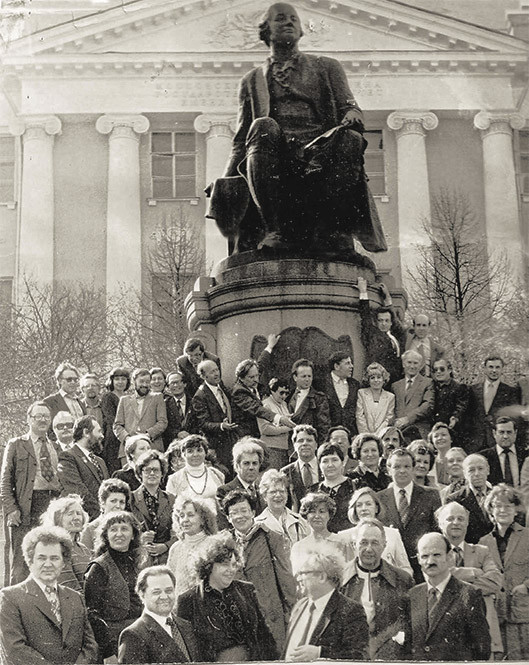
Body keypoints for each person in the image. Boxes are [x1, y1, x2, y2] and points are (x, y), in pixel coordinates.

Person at [215, 3, 384, 256]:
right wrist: (226, 181)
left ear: (302, 30)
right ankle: (276, 231)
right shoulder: (252, 80)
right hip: (274, 151)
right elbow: (241, 139)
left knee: (350, 138)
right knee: (262, 125)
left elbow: (350, 106)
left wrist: (352, 115)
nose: (289, 23)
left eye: (294, 19)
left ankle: (331, 231)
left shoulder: (327, 66)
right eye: (280, 18)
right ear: (266, 30)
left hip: (321, 147)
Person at [0, 525, 98, 665]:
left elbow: (90, 646)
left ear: (63, 563)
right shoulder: (10, 597)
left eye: (54, 558)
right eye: (41, 558)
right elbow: (14, 650)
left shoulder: (75, 597)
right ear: (30, 561)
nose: (48, 564)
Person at [177, 531, 279, 661]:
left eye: (234, 564)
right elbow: (188, 651)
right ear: (208, 565)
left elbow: (264, 637)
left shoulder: (246, 589)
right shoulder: (188, 600)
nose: (231, 570)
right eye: (225, 564)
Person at [222, 489, 297, 651]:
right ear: (228, 518)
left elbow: (286, 580)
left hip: (270, 618)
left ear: (253, 513)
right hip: (239, 623)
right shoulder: (224, 544)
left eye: (244, 510)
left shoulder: (271, 538)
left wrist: (293, 615)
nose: (240, 516)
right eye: (234, 513)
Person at [0, 400, 62, 583]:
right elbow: (5, 481)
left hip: (51, 505)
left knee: (48, 555)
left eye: (46, 416)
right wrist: (11, 509)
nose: (43, 420)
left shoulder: (55, 446)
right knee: (21, 561)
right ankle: (12, 598)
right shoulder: (16, 444)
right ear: (29, 419)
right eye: (38, 416)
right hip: (26, 506)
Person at [436, 501, 504, 656]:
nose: (456, 522)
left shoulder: (482, 551)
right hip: (446, 633)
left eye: (461, 519)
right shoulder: (433, 552)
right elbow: (439, 579)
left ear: (467, 523)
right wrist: (474, 572)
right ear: (440, 523)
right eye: (450, 518)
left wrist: (453, 575)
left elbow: (495, 582)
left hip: (482, 630)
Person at [409, 532, 490, 660]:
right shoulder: (412, 595)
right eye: (425, 556)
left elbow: (482, 648)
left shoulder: (469, 594)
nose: (430, 561)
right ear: (418, 559)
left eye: (436, 555)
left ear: (449, 556)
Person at [341, 518, 413, 660]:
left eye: (374, 543)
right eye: (363, 542)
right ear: (354, 545)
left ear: (384, 545)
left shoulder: (402, 580)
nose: (369, 549)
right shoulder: (339, 579)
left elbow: (409, 627)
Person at [286, 541, 369, 661]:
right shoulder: (300, 606)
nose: (298, 578)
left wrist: (320, 653)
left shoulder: (350, 611)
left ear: (322, 577)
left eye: (303, 573)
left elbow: (359, 656)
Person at [85, 510, 145, 660]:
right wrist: (108, 653)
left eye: (124, 529)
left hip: (139, 635)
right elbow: (92, 614)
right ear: (106, 536)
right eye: (113, 530)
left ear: (133, 535)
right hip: (112, 641)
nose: (119, 534)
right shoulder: (99, 567)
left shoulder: (138, 563)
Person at [479, 484, 529, 660]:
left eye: (508, 506)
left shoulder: (527, 536)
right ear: (491, 511)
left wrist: (526, 586)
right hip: (496, 615)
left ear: (516, 510)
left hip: (524, 614)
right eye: (498, 506)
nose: (503, 510)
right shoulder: (483, 542)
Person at [377, 448, 441, 582]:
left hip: (423, 566)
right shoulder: (379, 498)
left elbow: (437, 531)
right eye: (397, 467)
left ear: (413, 468)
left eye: (406, 466)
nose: (402, 471)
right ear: (389, 469)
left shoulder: (431, 495)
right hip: (390, 568)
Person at [118, 565, 198, 664]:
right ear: (142, 595)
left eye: (169, 591)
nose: (164, 597)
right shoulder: (133, 634)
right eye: (156, 592)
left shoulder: (186, 626)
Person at [339, 486, 413, 576]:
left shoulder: (392, 534)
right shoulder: (344, 537)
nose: (364, 508)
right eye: (359, 505)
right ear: (354, 510)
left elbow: (405, 568)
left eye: (368, 504)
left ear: (377, 508)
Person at [57, 414, 109, 521]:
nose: (102, 436)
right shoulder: (68, 457)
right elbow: (77, 490)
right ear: (86, 432)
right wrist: (101, 515)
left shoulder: (100, 461)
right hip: (84, 520)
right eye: (99, 431)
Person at [192, 359, 238, 471]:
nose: (217, 374)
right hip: (217, 445)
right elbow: (203, 423)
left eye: (217, 370)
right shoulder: (200, 396)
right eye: (212, 372)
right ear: (204, 376)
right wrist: (221, 426)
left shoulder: (220, 386)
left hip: (230, 440)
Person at [131, 449, 176, 565]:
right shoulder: (130, 499)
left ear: (162, 473)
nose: (152, 473)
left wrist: (166, 546)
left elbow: (179, 531)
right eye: (147, 470)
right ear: (140, 473)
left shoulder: (171, 499)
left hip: (166, 558)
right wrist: (140, 538)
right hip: (138, 559)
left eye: (156, 470)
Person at [467, 354, 520, 452]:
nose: (494, 370)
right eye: (491, 367)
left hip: (497, 442)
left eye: (497, 367)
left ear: (502, 369)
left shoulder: (510, 391)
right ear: (484, 369)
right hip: (475, 441)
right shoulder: (472, 389)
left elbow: (513, 418)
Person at [114, 367, 168, 461]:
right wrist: (127, 439)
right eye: (141, 381)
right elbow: (117, 425)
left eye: (147, 382)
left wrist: (147, 435)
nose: (145, 385)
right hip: (129, 450)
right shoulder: (124, 400)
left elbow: (162, 422)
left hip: (152, 447)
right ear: (134, 382)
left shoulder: (157, 397)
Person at [232, 358, 295, 438]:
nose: (256, 380)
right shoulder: (239, 391)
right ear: (241, 378)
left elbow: (261, 363)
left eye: (257, 375)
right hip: (247, 436)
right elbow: (256, 408)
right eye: (251, 377)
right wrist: (279, 418)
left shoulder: (252, 382)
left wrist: (269, 350)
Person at [40, 494, 91, 591]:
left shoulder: (83, 548)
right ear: (57, 519)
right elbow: (69, 589)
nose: (76, 517)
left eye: (78, 513)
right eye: (70, 513)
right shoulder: (57, 549)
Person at [167, 495, 217, 595]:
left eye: (190, 515)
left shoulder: (214, 545)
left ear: (203, 519)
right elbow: (169, 581)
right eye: (181, 516)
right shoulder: (175, 548)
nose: (185, 520)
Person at [358, 278, 405, 384]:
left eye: (386, 321)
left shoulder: (396, 336)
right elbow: (365, 316)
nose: (384, 323)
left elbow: (395, 318)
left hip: (397, 381)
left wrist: (388, 298)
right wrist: (363, 292)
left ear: (391, 323)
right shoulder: (373, 334)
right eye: (380, 320)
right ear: (376, 322)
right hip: (380, 381)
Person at [165, 434, 225, 514]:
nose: (195, 454)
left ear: (205, 452)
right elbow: (171, 508)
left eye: (199, 450)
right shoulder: (174, 479)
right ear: (184, 454)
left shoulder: (217, 474)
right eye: (190, 451)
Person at [291, 492, 353, 567]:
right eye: (312, 512)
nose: (317, 516)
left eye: (322, 512)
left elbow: (351, 570)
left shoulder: (342, 543)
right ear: (306, 515)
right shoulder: (298, 547)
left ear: (329, 515)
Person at [255, 469, 309, 546]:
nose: (278, 495)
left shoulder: (300, 521)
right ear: (264, 496)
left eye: (282, 491)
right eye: (273, 492)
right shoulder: (257, 524)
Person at [447, 453, 494, 543]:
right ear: (465, 474)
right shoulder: (455, 500)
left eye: (480, 469)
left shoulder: (496, 495)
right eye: (471, 470)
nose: (477, 474)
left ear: (488, 470)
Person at [217, 438, 267, 518]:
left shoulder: (262, 491)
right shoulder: (224, 492)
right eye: (246, 463)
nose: (251, 467)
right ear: (237, 466)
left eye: (255, 463)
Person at [312, 442, 357, 532]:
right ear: (319, 465)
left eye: (334, 460)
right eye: (325, 461)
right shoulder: (313, 491)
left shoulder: (355, 486)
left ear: (342, 462)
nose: (330, 465)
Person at [80, 477, 132, 553]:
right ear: (103, 503)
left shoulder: (130, 526)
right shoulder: (90, 529)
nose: (118, 506)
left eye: (122, 502)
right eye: (113, 501)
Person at [391, 349, 434, 439]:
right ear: (403, 364)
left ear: (420, 365)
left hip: (419, 430)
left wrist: (408, 419)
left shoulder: (428, 382)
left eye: (415, 363)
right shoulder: (395, 386)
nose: (412, 366)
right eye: (409, 362)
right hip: (398, 431)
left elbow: (428, 405)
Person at [287, 358, 330, 443]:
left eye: (309, 376)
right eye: (303, 376)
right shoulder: (287, 396)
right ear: (295, 377)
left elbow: (324, 427)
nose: (307, 379)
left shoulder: (319, 398)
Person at [281, 424, 321, 511]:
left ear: (316, 445)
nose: (305, 443)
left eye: (309, 440)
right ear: (294, 445)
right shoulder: (285, 472)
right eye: (300, 441)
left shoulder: (324, 468)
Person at [43, 362, 87, 439]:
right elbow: (46, 430)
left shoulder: (81, 403)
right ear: (60, 380)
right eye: (69, 379)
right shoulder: (50, 402)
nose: (73, 382)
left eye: (75, 380)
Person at [480, 416, 527, 487]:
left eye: (509, 432)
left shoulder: (525, 455)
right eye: (501, 432)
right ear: (494, 433)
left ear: (515, 433)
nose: (505, 436)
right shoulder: (483, 457)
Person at [100, 367, 131, 475]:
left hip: (127, 435)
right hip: (113, 437)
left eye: (123, 379)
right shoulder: (108, 397)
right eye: (117, 379)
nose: (120, 382)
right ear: (112, 381)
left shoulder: (128, 398)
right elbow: (110, 418)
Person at [431, 358, 469, 443]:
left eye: (442, 369)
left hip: (451, 430)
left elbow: (461, 406)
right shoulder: (431, 386)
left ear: (449, 370)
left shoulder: (459, 387)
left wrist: (455, 418)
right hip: (433, 429)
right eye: (435, 370)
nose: (438, 372)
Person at [259, 377, 293, 469]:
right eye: (281, 393)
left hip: (284, 449)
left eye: (287, 393)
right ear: (272, 391)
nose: (284, 396)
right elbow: (265, 429)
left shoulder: (284, 404)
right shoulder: (265, 405)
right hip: (271, 448)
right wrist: (289, 427)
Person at [323, 352, 360, 436]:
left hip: (351, 434)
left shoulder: (355, 385)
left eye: (351, 363)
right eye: (347, 363)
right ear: (336, 366)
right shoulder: (321, 384)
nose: (351, 366)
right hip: (329, 435)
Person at [356, 362, 395, 435]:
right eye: (372, 378)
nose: (376, 380)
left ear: (384, 379)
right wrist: (366, 435)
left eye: (379, 377)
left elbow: (388, 419)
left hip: (381, 435)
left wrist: (378, 434)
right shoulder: (361, 393)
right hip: (364, 434)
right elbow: (359, 416)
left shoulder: (390, 397)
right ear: (368, 380)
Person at [163, 370, 193, 449]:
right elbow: (164, 426)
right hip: (174, 445)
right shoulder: (165, 404)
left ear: (184, 384)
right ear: (168, 387)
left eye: (178, 382)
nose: (176, 385)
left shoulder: (194, 402)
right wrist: (177, 433)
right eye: (172, 383)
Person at [427, 422, 454, 486]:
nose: (440, 438)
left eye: (444, 435)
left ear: (451, 439)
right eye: (436, 436)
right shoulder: (430, 461)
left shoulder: (458, 459)